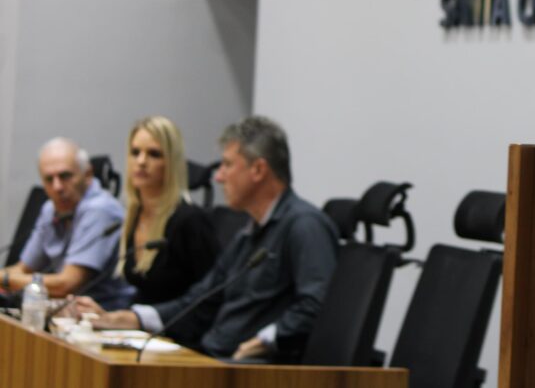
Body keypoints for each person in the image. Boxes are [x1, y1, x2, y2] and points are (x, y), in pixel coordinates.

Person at [93, 116, 339, 361]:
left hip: (250, 368)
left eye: (227, 165)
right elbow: (200, 300)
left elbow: (317, 305)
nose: (219, 177)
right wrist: (134, 317)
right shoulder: (249, 233)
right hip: (213, 357)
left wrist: (266, 340)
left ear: (258, 170)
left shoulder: (304, 225)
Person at [74, 117, 218, 310]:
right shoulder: (135, 214)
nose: (141, 161)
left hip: (179, 332)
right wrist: (108, 318)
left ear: (171, 162)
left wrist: (133, 320)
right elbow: (145, 295)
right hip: (142, 330)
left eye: (154, 154)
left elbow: (210, 297)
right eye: (135, 152)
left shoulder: (190, 221)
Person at [0, 138, 133, 309]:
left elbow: (67, 284)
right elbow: (23, 269)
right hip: (65, 313)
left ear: (88, 175)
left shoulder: (101, 210)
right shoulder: (51, 209)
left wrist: (4, 279)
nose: (57, 187)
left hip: (105, 316)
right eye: (49, 179)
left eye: (65, 176)